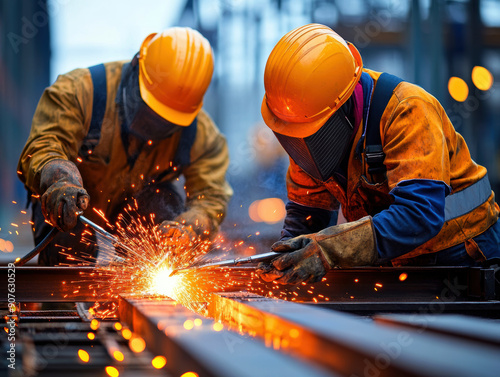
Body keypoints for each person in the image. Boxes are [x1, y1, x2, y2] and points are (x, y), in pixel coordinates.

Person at [257, 23, 500, 285]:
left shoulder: (408, 111)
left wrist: (329, 248)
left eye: (310, 132)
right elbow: (307, 217)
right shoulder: (306, 129)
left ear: (343, 105)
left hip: (463, 255)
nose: (301, 145)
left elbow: (419, 215)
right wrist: (287, 256)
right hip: (396, 262)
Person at [17, 27, 233, 266]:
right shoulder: (80, 91)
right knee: (67, 254)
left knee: (160, 218)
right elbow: (45, 145)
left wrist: (188, 228)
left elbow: (210, 198)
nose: (152, 127)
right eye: (148, 111)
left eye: (165, 123)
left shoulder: (201, 134)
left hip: (136, 211)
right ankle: (63, 300)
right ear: (135, 67)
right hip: (74, 206)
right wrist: (59, 180)